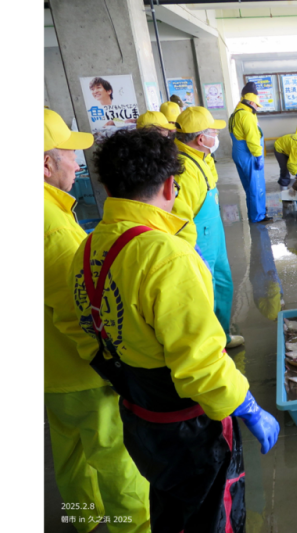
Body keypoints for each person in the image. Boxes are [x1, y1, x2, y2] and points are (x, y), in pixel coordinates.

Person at [68, 128, 280, 532]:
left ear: (108, 187)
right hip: (190, 428)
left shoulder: (89, 246)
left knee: (170, 507)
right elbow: (201, 364)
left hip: (139, 419)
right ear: (170, 186)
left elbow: (81, 329)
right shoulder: (166, 255)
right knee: (212, 515)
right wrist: (247, 407)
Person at [44, 109, 150, 531]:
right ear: (46, 163)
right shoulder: (52, 227)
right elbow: (76, 312)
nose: (78, 164)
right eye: (71, 154)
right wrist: (113, 364)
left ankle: (84, 522)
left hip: (49, 372)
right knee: (116, 460)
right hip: (81, 373)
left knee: (69, 455)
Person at [174, 106, 246, 349]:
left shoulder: (200, 158)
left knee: (223, 284)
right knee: (207, 293)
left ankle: (222, 335)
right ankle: (212, 346)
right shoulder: (184, 170)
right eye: (213, 132)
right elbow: (180, 219)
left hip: (214, 236)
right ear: (200, 139)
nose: (217, 136)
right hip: (200, 242)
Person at [229, 83, 271, 223]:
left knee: (249, 187)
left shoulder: (235, 114)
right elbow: (253, 139)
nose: (257, 108)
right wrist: (258, 156)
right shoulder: (247, 116)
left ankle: (254, 213)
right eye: (256, 105)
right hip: (249, 154)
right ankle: (258, 216)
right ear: (251, 102)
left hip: (238, 153)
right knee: (256, 187)